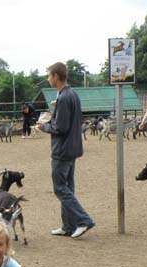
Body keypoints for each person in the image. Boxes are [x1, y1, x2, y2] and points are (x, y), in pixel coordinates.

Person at [35, 62, 95, 239]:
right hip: (72, 148)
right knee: (68, 187)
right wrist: (58, 106)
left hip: (62, 150)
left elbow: (60, 128)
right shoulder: (72, 94)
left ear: (56, 76)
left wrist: (43, 127)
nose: (48, 79)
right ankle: (68, 226)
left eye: (49, 75)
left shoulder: (64, 97)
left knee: (60, 188)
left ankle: (83, 220)